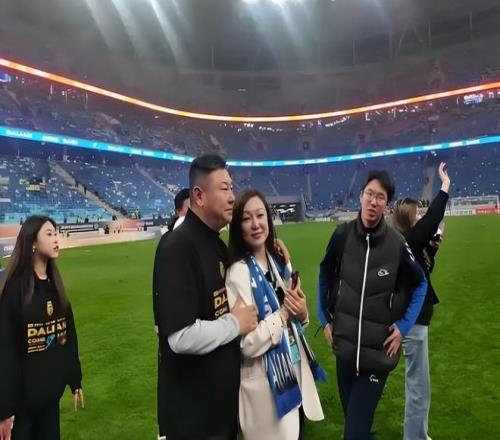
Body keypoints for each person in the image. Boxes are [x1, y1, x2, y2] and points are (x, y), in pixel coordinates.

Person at [153, 154, 259, 440]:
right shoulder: (178, 247)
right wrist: (235, 324)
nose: (232, 197)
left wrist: (272, 249)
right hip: (192, 420)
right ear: (199, 196)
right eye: (224, 188)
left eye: (231, 188)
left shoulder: (215, 243)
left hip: (220, 412)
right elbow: (181, 337)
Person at [317, 170, 428, 440]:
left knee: (353, 433)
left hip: (377, 356)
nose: (373, 201)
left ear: (386, 205)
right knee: (357, 425)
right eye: (369, 194)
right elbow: (324, 272)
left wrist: (403, 327)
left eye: (380, 197)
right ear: (361, 197)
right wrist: (324, 319)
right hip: (345, 352)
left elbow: (421, 284)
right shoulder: (342, 236)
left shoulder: (397, 244)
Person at [226, 189, 324, 440]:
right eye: (246, 218)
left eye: (260, 215)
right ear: (238, 227)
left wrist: (302, 314)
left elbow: (295, 322)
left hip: (293, 377)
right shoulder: (239, 273)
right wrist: (283, 314)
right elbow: (247, 344)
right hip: (265, 392)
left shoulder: (276, 262)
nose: (256, 224)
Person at [0, 216, 83, 440]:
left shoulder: (55, 287)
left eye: (56, 233)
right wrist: (4, 409)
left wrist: (74, 378)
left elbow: (67, 336)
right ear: (33, 242)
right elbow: (5, 350)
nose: (56, 238)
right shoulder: (15, 289)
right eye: (49, 234)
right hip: (21, 408)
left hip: (49, 401)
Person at [391, 162, 451, 440]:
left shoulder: (408, 242)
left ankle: (418, 435)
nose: (422, 217)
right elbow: (435, 215)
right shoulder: (409, 239)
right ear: (409, 220)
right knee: (418, 389)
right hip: (413, 324)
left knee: (418, 387)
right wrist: (445, 185)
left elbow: (422, 270)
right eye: (418, 214)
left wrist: (432, 251)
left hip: (413, 322)